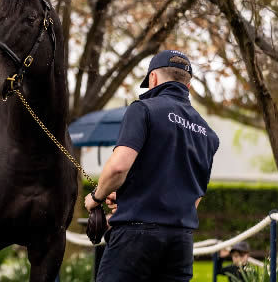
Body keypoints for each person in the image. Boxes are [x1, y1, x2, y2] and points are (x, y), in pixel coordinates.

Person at [84, 50, 220, 282]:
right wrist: (130, 197)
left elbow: (119, 167)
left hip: (135, 239)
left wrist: (96, 197)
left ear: (153, 79)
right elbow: (195, 194)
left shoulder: (143, 109)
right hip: (181, 242)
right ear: (188, 87)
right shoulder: (207, 133)